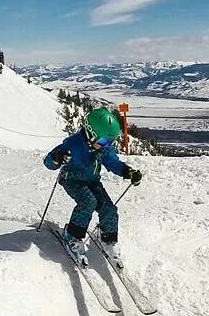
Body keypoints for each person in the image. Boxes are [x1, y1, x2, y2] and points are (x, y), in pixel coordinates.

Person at [43, 107, 142, 267]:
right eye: (104, 141)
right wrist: (56, 159)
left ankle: (108, 238)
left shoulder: (102, 148)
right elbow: (48, 162)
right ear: (90, 133)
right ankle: (72, 236)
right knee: (88, 201)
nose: (106, 145)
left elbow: (113, 162)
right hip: (72, 180)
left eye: (110, 142)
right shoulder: (73, 145)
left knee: (109, 209)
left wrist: (127, 172)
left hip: (92, 181)